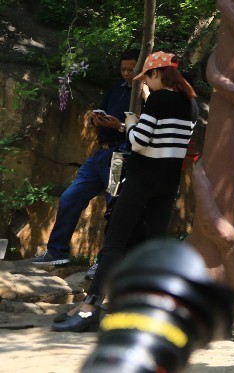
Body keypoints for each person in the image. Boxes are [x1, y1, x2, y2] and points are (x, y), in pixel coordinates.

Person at [53, 51, 197, 333]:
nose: (145, 83)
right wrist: (129, 124)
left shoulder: (159, 98)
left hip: (142, 181)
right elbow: (169, 142)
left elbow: (140, 143)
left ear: (157, 74)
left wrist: (130, 123)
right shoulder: (191, 104)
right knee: (154, 246)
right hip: (168, 184)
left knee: (114, 243)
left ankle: (90, 308)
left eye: (147, 77)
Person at [30, 52, 136, 268]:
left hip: (121, 156)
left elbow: (143, 129)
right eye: (123, 69)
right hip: (100, 154)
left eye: (131, 69)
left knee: (113, 207)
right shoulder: (116, 89)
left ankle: (105, 260)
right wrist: (96, 119)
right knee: (70, 197)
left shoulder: (145, 94)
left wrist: (119, 126)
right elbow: (101, 111)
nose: (126, 73)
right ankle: (56, 251)